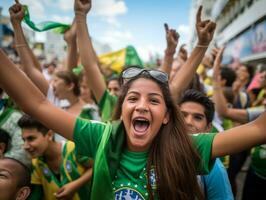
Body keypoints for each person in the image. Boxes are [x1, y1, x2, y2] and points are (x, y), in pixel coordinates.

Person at [1, 0, 266, 198]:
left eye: (153, 101)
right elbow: (36, 104)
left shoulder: (186, 146)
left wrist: (198, 48)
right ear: (120, 108)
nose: (141, 105)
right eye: (133, 98)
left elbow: (258, 128)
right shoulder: (100, 136)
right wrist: (80, 17)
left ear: (167, 116)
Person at [18, 114, 92, 200]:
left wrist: (75, 185)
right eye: (24, 140)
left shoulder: (73, 148)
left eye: (31, 139)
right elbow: (37, 194)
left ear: (49, 135)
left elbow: (97, 167)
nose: (25, 146)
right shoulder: (36, 163)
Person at [179, 89, 233, 200]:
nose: (188, 122)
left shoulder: (214, 168)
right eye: (182, 115)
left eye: (197, 117)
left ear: (208, 128)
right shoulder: (154, 148)